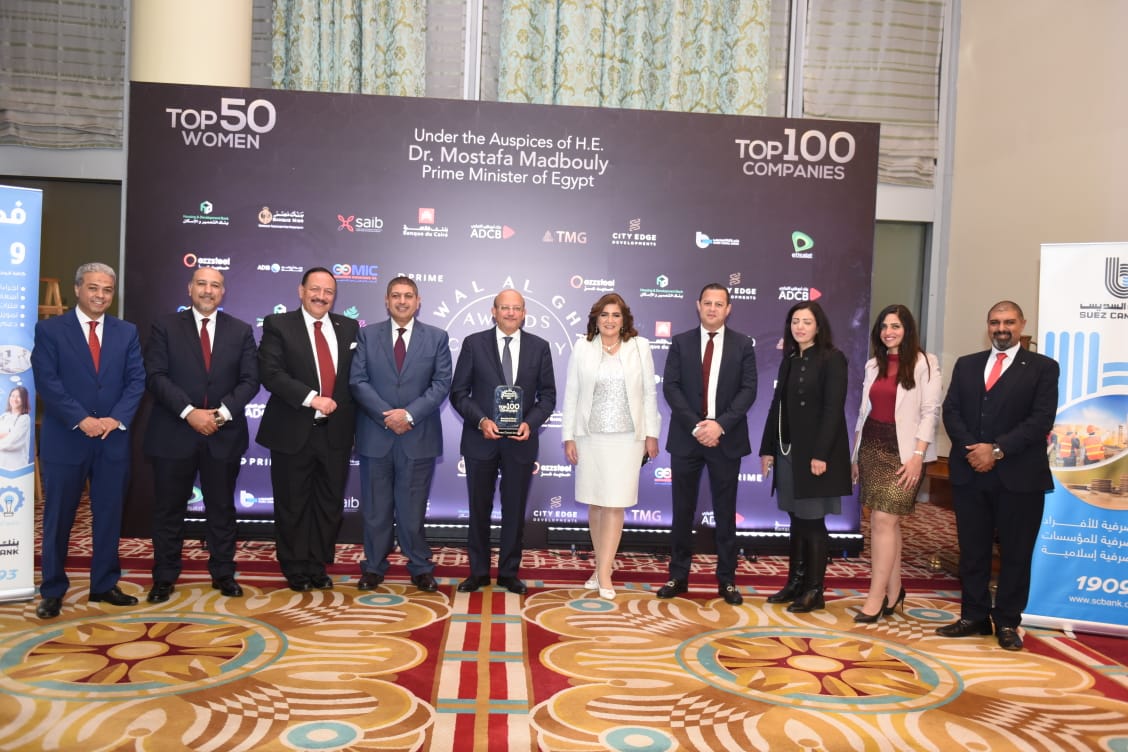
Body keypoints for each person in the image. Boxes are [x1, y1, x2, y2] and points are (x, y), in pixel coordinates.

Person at [938, 300, 1058, 651]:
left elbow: (1041, 420)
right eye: (994, 322)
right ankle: (973, 615)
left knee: (1016, 553)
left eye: (1008, 322)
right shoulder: (967, 364)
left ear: (1022, 324)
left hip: (1019, 477)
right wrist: (974, 450)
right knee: (972, 550)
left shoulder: (1043, 368)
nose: (1001, 328)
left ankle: (1007, 621)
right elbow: (951, 411)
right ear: (987, 325)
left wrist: (997, 450)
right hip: (971, 472)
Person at [31, 262, 146, 619]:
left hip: (112, 438)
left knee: (109, 515)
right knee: (59, 516)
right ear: (78, 289)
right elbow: (47, 381)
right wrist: (81, 419)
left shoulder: (126, 332)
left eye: (107, 290)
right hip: (67, 438)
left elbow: (136, 381)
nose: (100, 295)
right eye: (93, 288)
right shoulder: (50, 330)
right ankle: (52, 589)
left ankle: (104, 584)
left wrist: (115, 419)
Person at [142, 267, 259, 603]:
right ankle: (164, 576)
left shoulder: (240, 330)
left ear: (223, 292)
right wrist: (189, 412)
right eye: (202, 284)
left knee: (222, 508)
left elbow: (250, 380)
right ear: (189, 288)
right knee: (169, 510)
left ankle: (223, 573)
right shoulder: (165, 326)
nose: (208, 290)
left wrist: (220, 414)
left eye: (215, 285)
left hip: (223, 434)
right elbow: (155, 375)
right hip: (173, 432)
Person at [256, 267, 358, 592]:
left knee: (329, 504)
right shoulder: (278, 325)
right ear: (301, 291)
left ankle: (317, 565)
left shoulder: (348, 327)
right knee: (292, 502)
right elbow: (270, 373)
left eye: (328, 292)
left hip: (336, 433)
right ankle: (295, 566)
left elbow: (355, 378)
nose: (321, 296)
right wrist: (312, 399)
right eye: (315, 289)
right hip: (292, 429)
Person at [657, 283, 757, 606]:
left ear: (728, 309)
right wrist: (696, 426)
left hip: (725, 439)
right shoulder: (680, 342)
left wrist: (719, 425)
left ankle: (727, 580)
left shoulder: (743, 344)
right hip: (687, 438)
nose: (713, 308)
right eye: (708, 303)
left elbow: (748, 390)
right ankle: (678, 575)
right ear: (698, 306)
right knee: (682, 511)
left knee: (725, 513)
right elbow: (671, 388)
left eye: (719, 304)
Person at [450, 290, 556, 595]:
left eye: (516, 308)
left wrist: (530, 423)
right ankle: (478, 572)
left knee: (514, 510)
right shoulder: (473, 344)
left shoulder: (539, 347)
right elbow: (459, 393)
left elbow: (548, 396)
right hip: (480, 439)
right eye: (504, 308)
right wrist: (482, 420)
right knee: (478, 509)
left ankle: (509, 573)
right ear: (493, 311)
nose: (510, 313)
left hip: (520, 443)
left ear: (524, 313)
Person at [350, 276, 452, 593]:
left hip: (417, 436)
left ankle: (420, 567)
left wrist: (408, 415)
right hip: (375, 435)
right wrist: (388, 416)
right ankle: (373, 567)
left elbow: (441, 383)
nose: (402, 301)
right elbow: (358, 380)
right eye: (396, 295)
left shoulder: (437, 337)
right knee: (376, 509)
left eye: (408, 296)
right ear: (386, 300)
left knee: (412, 511)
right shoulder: (367, 335)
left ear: (418, 302)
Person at [562, 293, 660, 599]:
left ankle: (604, 573)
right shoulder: (582, 346)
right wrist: (568, 436)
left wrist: (652, 433)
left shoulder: (640, 347)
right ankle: (600, 565)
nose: (609, 320)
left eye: (616, 315)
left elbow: (649, 393)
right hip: (590, 437)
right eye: (604, 314)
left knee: (615, 503)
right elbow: (572, 393)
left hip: (627, 439)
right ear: (596, 319)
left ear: (624, 319)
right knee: (595, 503)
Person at [849, 304, 941, 622]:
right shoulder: (873, 364)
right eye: (885, 326)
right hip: (872, 447)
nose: (889, 332)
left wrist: (918, 457)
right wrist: (855, 455)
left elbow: (930, 412)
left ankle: (875, 598)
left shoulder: (925, 363)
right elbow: (863, 412)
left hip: (905, 453)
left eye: (896, 326)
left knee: (883, 520)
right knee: (886, 522)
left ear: (907, 329)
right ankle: (894, 590)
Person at [759, 300, 851, 613]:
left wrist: (820, 454)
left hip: (815, 457)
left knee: (812, 523)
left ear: (818, 326)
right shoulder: (789, 359)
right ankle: (795, 583)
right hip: (787, 454)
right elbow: (777, 406)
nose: (800, 327)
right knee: (796, 520)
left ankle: (815, 590)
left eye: (806, 321)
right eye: (795, 321)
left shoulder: (832, 359)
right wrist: (767, 448)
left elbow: (833, 410)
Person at [0, 385, 32, 470]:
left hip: (16, 469)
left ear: (24, 400)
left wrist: (5, 435)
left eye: (19, 397)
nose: (15, 399)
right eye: (13, 396)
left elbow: (11, 442)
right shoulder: (4, 416)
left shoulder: (24, 418)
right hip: (2, 465)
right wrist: (9, 433)